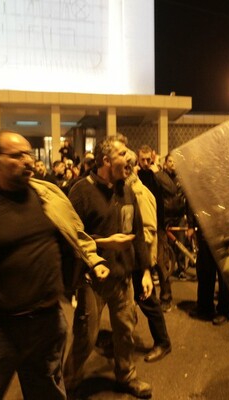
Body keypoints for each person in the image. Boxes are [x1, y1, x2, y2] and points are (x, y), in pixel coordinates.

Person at [0, 130, 108, 400]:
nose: (27, 161)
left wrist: (94, 259)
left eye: (28, 153)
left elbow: (75, 231)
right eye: (16, 155)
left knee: (47, 393)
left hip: (47, 323)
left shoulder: (47, 193)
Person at [65, 136, 153, 399]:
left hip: (122, 277)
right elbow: (69, 236)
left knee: (126, 331)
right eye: (123, 154)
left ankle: (126, 376)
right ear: (105, 160)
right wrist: (104, 242)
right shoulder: (80, 191)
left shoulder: (125, 189)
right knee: (86, 337)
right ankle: (69, 382)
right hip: (92, 280)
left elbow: (136, 231)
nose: (130, 159)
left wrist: (146, 271)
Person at [126, 149, 172, 362]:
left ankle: (163, 342)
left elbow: (147, 231)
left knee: (147, 301)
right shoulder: (128, 190)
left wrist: (145, 266)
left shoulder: (139, 193)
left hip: (139, 257)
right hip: (133, 257)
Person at [137, 145, 178, 312]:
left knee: (161, 263)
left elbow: (172, 189)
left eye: (149, 159)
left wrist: (158, 173)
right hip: (140, 225)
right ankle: (144, 296)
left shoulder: (157, 174)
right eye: (143, 160)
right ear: (139, 159)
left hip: (158, 225)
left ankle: (166, 297)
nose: (146, 163)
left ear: (153, 158)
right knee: (141, 262)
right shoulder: (136, 174)